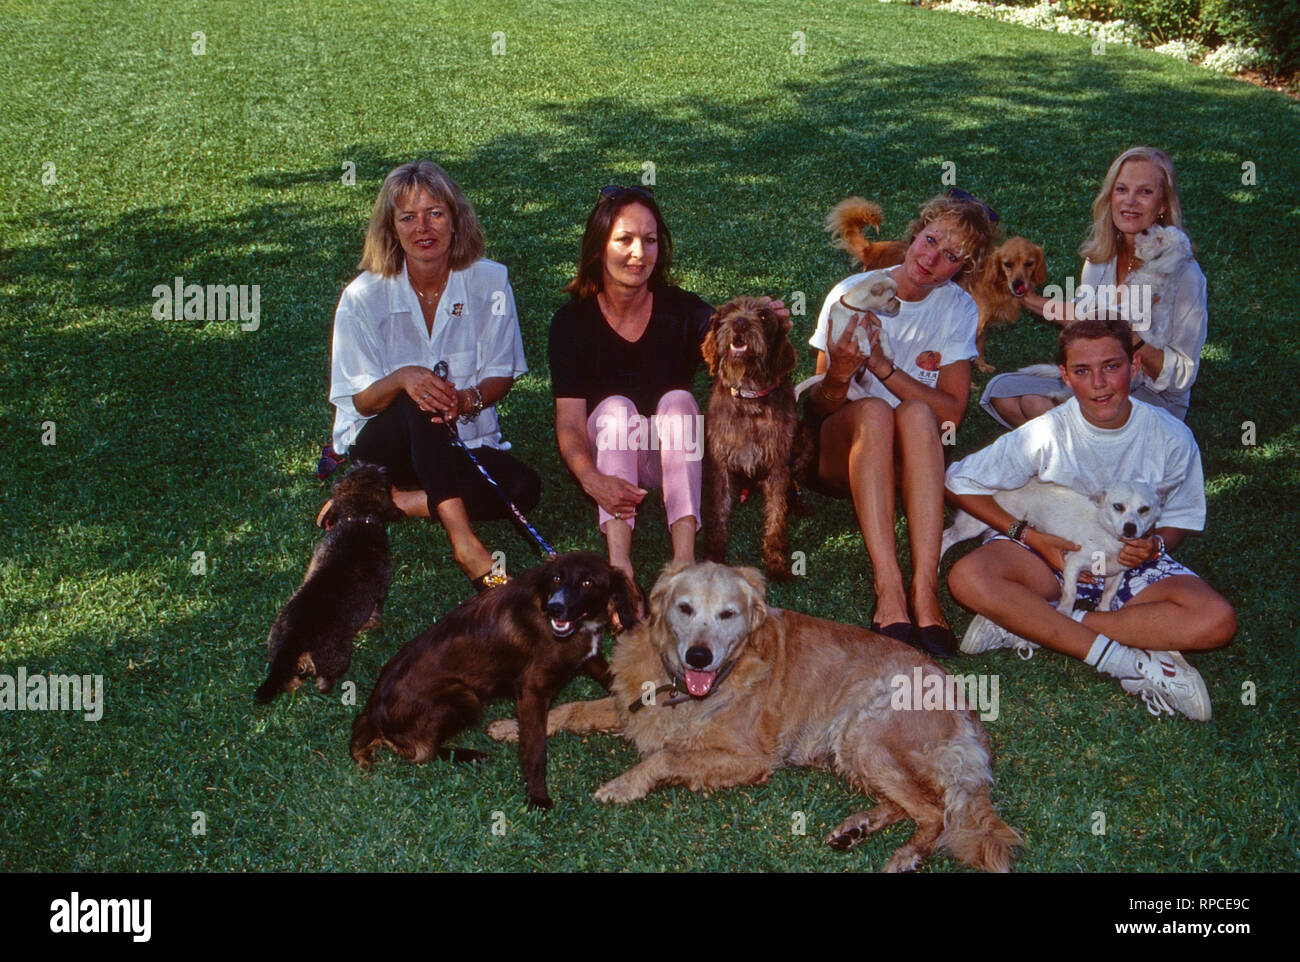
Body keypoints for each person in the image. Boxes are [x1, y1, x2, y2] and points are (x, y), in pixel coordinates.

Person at [946, 316, 1236, 721]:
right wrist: (1026, 535)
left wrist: (1157, 545)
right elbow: (959, 481)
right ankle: (1128, 661)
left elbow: (1184, 516)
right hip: (1046, 552)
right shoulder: (1046, 433)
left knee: (1217, 621)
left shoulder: (1170, 437)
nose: (1099, 383)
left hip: (1130, 560)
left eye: (1111, 367)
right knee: (967, 578)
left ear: (1134, 367)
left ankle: (1032, 622)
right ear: (1065, 377)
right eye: (1083, 371)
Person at [549, 186, 786, 584]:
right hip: (608, 448)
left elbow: (730, 337)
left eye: (650, 240)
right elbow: (570, 422)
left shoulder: (682, 309)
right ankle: (620, 565)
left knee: (678, 400)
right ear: (598, 246)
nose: (639, 253)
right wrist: (591, 479)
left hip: (671, 457)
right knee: (616, 408)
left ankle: (684, 563)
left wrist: (763, 325)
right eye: (624, 239)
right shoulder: (571, 323)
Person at [328, 161, 538, 592]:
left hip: (460, 437)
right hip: (383, 446)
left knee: (522, 486)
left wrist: (464, 401)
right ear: (392, 228)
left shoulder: (492, 280)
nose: (423, 227)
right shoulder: (361, 297)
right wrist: (405, 377)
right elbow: (363, 403)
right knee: (417, 393)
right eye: (408, 217)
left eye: (435, 213)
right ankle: (467, 546)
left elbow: (501, 374)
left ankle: (394, 503)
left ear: (456, 219)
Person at [803, 192, 998, 657]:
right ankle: (888, 587)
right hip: (840, 453)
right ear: (915, 234)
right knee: (874, 410)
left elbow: (950, 414)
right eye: (929, 241)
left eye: (950, 256)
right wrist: (841, 372)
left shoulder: (958, 308)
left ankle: (924, 591)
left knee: (913, 411)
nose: (931, 259)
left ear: (961, 270)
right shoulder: (852, 294)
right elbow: (816, 409)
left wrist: (887, 369)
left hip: (912, 457)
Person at [982, 146, 1207, 428]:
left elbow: (1183, 376)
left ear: (1162, 206)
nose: (1130, 202)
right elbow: (1084, 321)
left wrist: (1132, 337)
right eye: (1122, 189)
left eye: (1145, 192)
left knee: (1036, 406)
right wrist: (1028, 298)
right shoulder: (1099, 259)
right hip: (1098, 378)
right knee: (1003, 391)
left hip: (1152, 392)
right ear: (1110, 196)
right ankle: (1087, 455)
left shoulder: (1184, 273)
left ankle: (1079, 450)